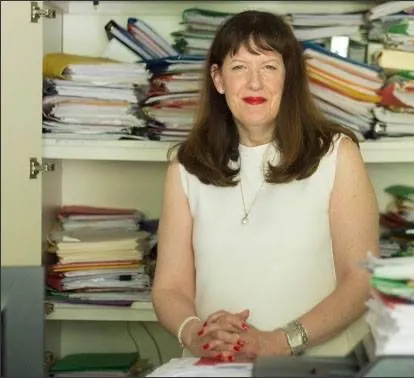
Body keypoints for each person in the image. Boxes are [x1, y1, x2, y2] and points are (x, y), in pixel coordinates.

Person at [151, 10, 380, 362]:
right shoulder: (186, 166)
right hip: (216, 366)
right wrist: (196, 334)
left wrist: (277, 342)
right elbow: (170, 288)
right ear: (218, 79)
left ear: (289, 77)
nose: (254, 83)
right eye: (239, 67)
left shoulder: (336, 154)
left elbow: (360, 280)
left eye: (269, 67)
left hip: (316, 364)